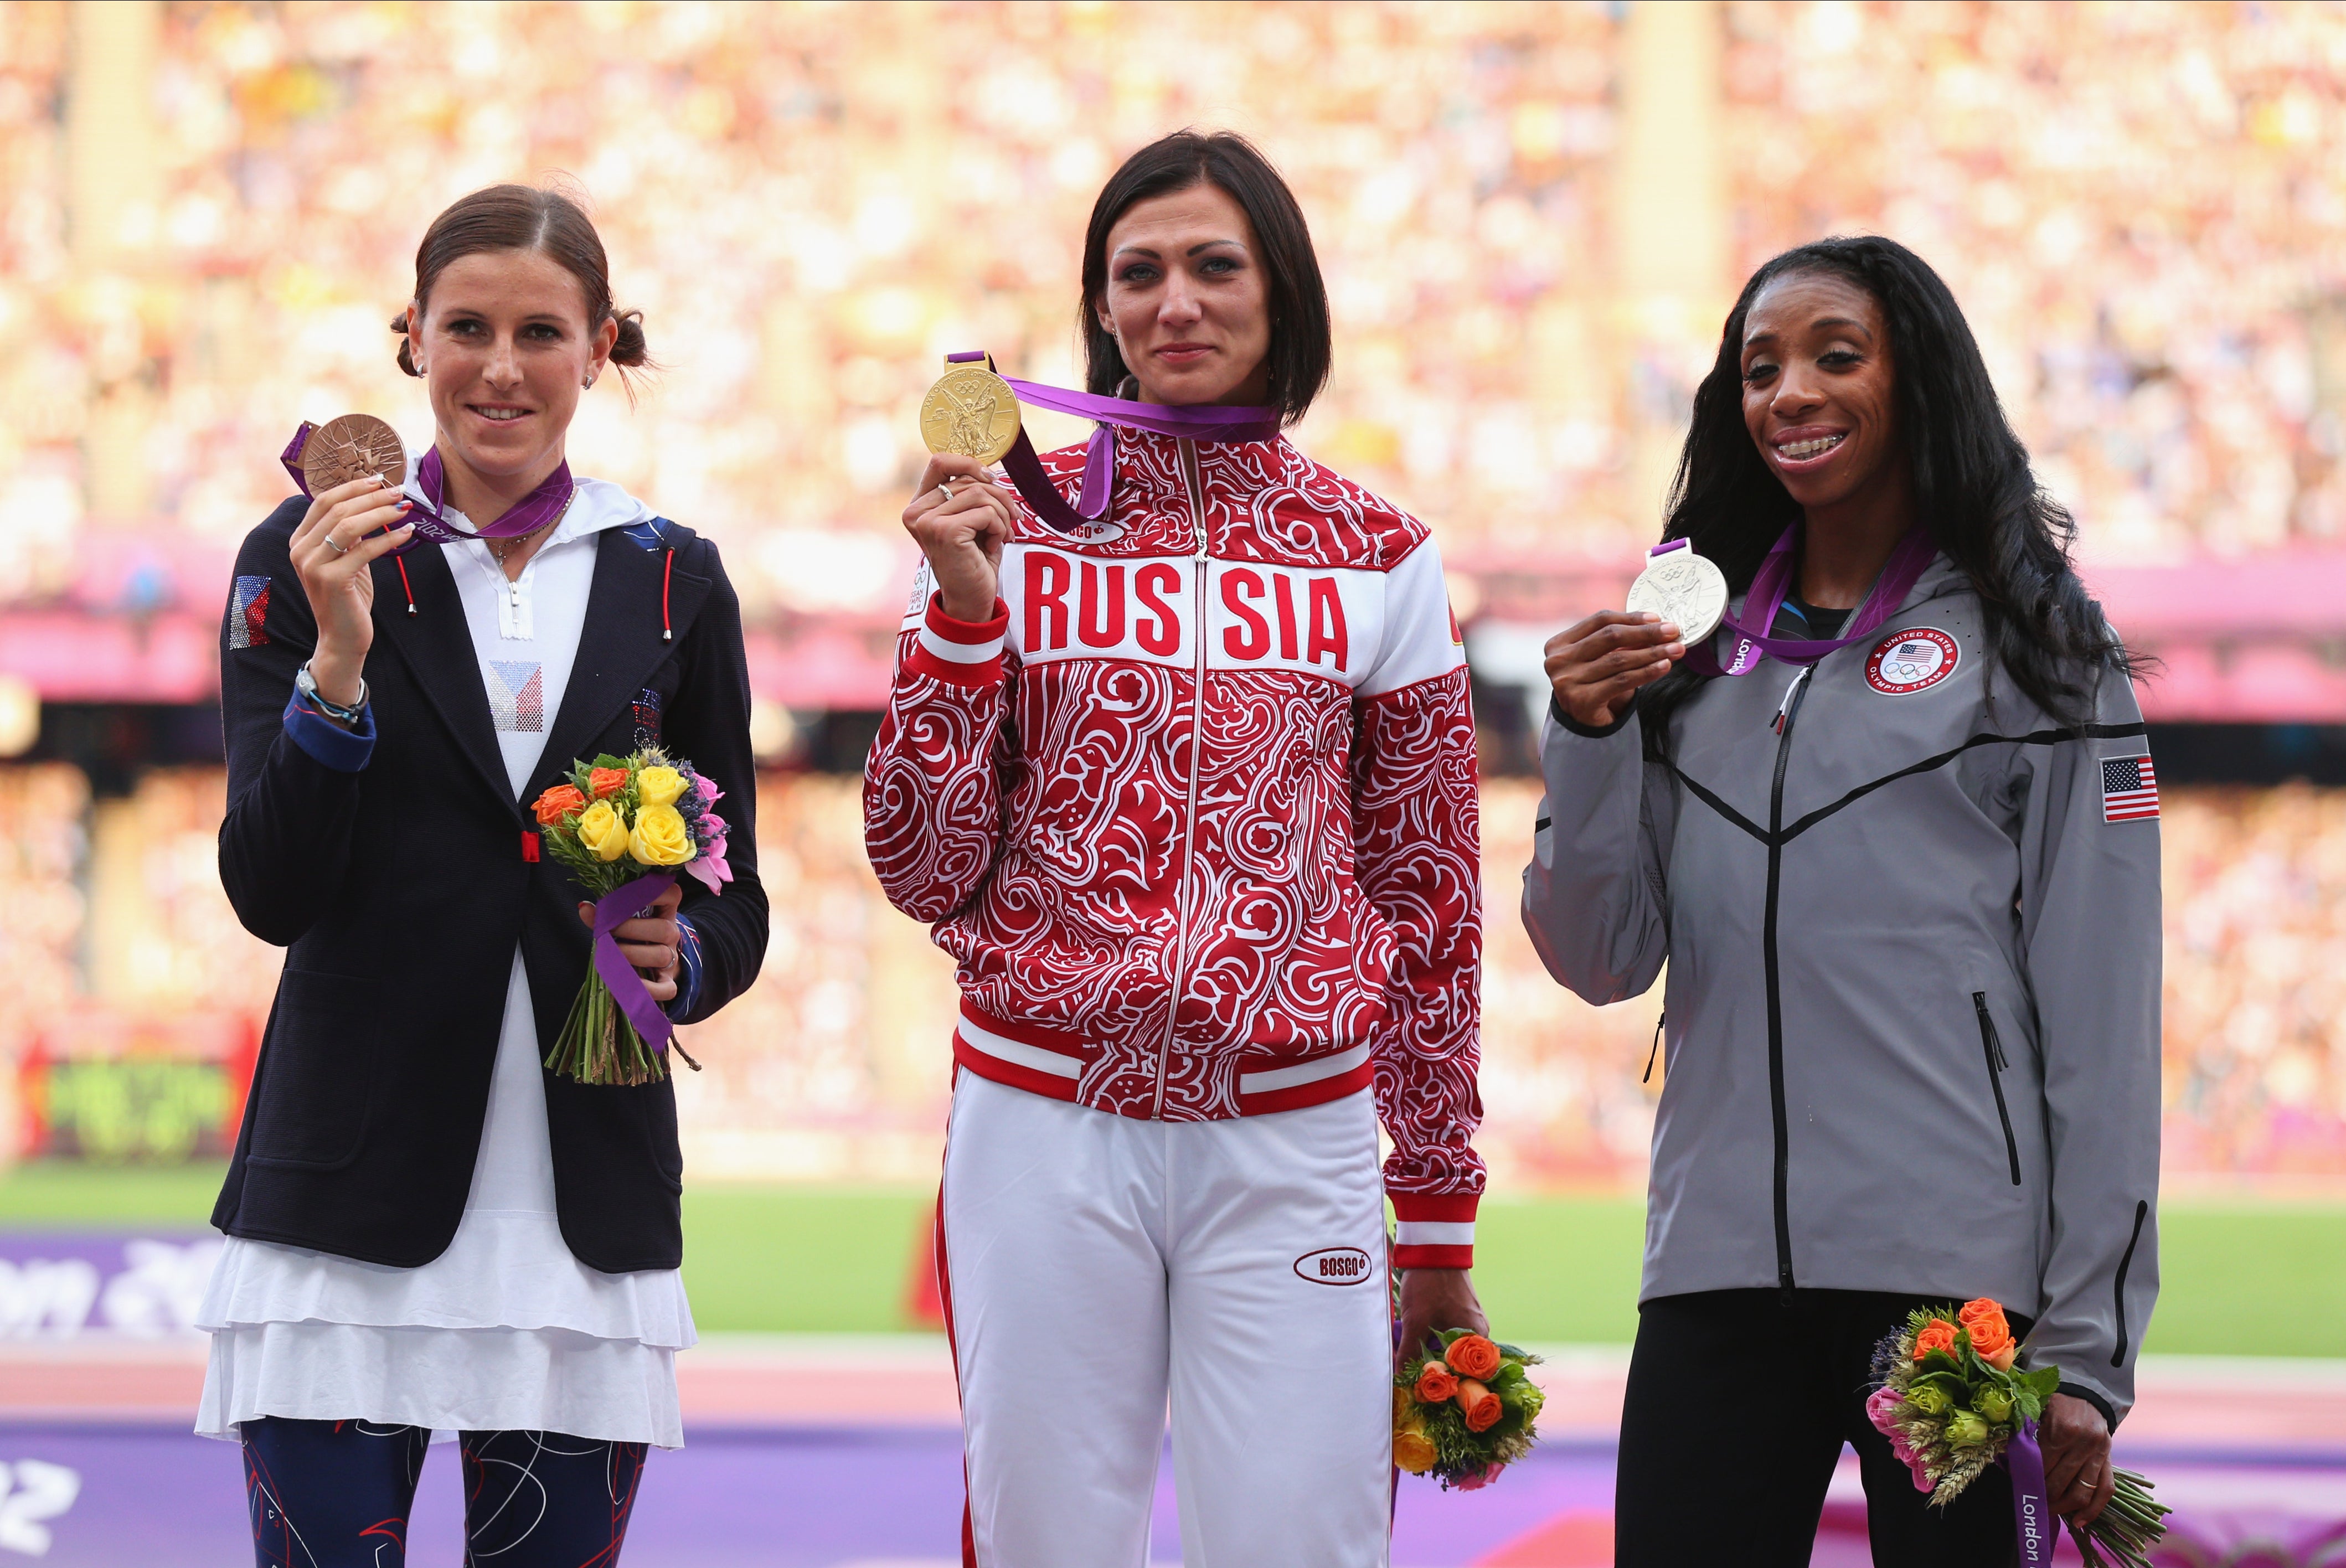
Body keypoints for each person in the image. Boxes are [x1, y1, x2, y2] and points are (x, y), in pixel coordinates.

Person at [863, 130, 1486, 1568]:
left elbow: (1429, 891)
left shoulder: (1379, 553)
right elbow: (918, 866)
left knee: (1301, 1546)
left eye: (1216, 265)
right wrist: (961, 620)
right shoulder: (996, 520)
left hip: (1294, 1131)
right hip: (1042, 1118)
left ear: (1283, 294)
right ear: (1099, 309)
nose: (1174, 302)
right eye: (1135, 274)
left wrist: (1437, 1201)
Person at [1523, 235, 2160, 1565]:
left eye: (1834, 356)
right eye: (1759, 370)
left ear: (1915, 376)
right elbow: (1594, 956)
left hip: (1953, 1302)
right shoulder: (1683, 654)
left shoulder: (2042, 650)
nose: (1790, 394)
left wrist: (2086, 1354)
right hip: (1712, 1276)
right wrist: (1587, 733)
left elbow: (2102, 1022)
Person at [199, 184, 766, 1566]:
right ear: (412, 339)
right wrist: (336, 664)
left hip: (582, 1217)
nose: (500, 367)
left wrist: (680, 963)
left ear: (599, 348)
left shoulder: (672, 577)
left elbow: (738, 897)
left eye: (539, 331)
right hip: (343, 1200)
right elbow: (268, 889)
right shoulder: (302, 556)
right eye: (466, 327)